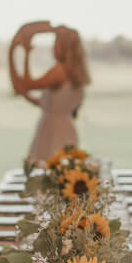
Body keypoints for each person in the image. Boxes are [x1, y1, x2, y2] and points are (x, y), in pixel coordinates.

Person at [16, 26, 89, 164]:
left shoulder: (59, 71)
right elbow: (51, 103)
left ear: (63, 46)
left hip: (52, 131)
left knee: (46, 172)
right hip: (68, 128)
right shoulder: (78, 73)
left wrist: (27, 54)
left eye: (56, 43)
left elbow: (28, 84)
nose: (53, 47)